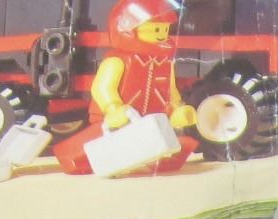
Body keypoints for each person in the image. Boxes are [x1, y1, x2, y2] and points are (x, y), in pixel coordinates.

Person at [53, 0, 200, 175]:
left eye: (164, 29)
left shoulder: (165, 63)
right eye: (156, 30)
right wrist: (113, 108)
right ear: (128, 29)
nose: (162, 35)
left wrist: (176, 109)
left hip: (151, 122)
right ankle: (74, 157)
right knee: (88, 149)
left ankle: (155, 157)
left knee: (179, 145)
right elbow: (102, 88)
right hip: (117, 121)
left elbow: (171, 91)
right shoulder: (117, 61)